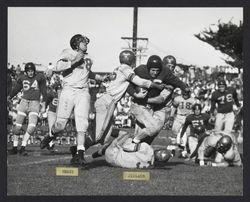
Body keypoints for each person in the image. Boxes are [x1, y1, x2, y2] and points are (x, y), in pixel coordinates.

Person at [40, 34, 107, 164]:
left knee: (82, 125)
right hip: (69, 91)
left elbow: (88, 73)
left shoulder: (88, 58)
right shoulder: (68, 52)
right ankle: (50, 135)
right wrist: (74, 61)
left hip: (83, 92)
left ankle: (80, 154)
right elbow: (58, 66)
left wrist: (100, 78)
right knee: (60, 125)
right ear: (76, 43)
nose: (86, 44)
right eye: (83, 42)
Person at [124, 55, 189, 151]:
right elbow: (129, 84)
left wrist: (184, 87)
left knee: (152, 131)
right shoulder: (141, 70)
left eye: (173, 66)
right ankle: (132, 148)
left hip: (161, 108)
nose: (170, 68)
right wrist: (136, 95)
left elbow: (161, 98)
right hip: (146, 105)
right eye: (168, 65)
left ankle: (135, 146)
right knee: (143, 131)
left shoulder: (168, 76)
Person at [71, 131, 171, 169]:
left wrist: (126, 140)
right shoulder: (150, 165)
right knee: (112, 145)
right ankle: (96, 153)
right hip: (112, 162)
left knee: (125, 134)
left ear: (158, 151)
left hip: (112, 154)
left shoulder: (147, 148)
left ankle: (104, 130)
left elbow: (126, 146)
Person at [8, 62, 47, 155]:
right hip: (24, 102)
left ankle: (23, 147)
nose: (31, 73)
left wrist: (44, 104)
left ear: (34, 71)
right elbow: (16, 89)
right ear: (26, 71)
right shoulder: (22, 78)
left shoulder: (40, 77)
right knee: (17, 127)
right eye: (29, 71)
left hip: (35, 103)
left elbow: (44, 91)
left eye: (32, 71)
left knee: (32, 127)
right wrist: (10, 96)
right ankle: (14, 147)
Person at [168, 90, 198, 156]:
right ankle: (172, 150)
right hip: (179, 116)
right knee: (174, 132)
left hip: (188, 117)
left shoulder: (193, 100)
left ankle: (186, 150)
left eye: (187, 93)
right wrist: (171, 117)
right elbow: (174, 108)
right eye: (184, 93)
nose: (185, 95)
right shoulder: (177, 99)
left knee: (189, 134)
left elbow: (195, 110)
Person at [44, 82, 62, 151]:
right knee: (51, 128)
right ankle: (50, 146)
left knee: (57, 130)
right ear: (56, 89)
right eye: (59, 89)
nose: (60, 90)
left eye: (60, 89)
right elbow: (46, 101)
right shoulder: (52, 94)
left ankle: (47, 142)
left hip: (59, 114)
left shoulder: (63, 95)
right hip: (52, 112)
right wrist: (44, 109)